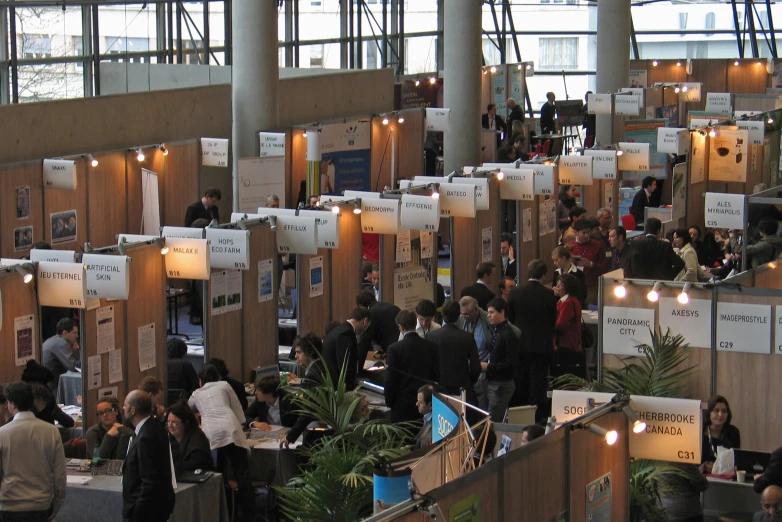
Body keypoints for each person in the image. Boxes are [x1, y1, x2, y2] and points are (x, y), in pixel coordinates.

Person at [189, 365, 253, 522]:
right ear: (218, 377)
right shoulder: (224, 385)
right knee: (242, 475)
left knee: (217, 477)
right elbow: (239, 412)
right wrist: (242, 423)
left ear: (200, 381)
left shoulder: (196, 394)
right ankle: (249, 516)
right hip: (232, 430)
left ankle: (221, 513)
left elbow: (188, 408)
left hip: (211, 435)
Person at [0, 381, 66, 522]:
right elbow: (60, 473)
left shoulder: (2, 433)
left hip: (9, 506)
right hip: (40, 505)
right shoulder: (51, 431)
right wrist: (58, 502)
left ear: (11, 404)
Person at [507, 260, 558, 422]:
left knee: (520, 378)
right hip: (541, 345)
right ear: (543, 275)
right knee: (539, 381)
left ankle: (519, 413)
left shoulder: (514, 292)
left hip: (520, 343)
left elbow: (511, 318)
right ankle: (537, 415)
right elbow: (552, 320)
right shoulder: (548, 294)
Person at [121, 390, 175, 522]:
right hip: (158, 505)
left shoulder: (145, 437)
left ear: (133, 410)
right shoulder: (156, 427)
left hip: (146, 511)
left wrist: (137, 514)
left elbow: (149, 481)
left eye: (125, 405)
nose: (123, 408)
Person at [385, 310, 439, 424]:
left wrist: (390, 403)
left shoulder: (394, 349)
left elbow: (390, 379)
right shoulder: (431, 346)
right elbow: (435, 376)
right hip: (426, 405)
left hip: (402, 406)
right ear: (416, 323)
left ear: (401, 326)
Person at [426, 300, 481, 399]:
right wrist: (468, 382)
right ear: (458, 315)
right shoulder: (467, 337)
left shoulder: (431, 336)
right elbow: (476, 367)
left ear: (442, 314)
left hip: (439, 387)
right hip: (462, 387)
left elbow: (427, 364)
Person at [282, 332, 327, 448]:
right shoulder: (323, 366)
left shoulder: (312, 376)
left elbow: (307, 411)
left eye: (299, 352)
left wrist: (290, 436)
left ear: (310, 352)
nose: (296, 356)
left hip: (318, 430)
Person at [483, 298, 519, 423]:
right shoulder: (497, 330)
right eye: (488, 312)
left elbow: (511, 363)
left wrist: (488, 367)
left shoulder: (508, 334)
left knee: (493, 420)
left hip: (501, 383)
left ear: (502, 312)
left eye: (492, 312)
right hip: (494, 381)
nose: (488, 315)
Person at [457, 296, 493, 409]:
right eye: (462, 314)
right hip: (465, 371)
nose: (465, 317)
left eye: (467, 314)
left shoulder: (488, 319)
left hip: (482, 372)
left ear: (476, 310)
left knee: (482, 405)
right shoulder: (460, 319)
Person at [322, 307, 371, 390]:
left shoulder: (339, 330)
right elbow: (345, 364)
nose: (365, 330)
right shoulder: (347, 333)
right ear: (365, 321)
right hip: (338, 387)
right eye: (367, 326)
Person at [166, 401, 213, 477]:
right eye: (168, 422)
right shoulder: (169, 436)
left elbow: (195, 464)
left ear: (186, 423)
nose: (170, 425)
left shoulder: (197, 441)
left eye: (174, 422)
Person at [552, 274, 585, 379]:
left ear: (567, 287)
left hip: (566, 344)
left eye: (560, 284)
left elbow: (561, 324)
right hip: (571, 344)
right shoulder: (571, 300)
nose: (557, 286)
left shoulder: (568, 303)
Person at [567, 219, 607, 306]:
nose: (587, 235)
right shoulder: (569, 246)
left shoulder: (597, 245)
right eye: (584, 232)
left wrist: (590, 264)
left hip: (591, 285)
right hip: (574, 286)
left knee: (592, 310)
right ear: (576, 232)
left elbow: (604, 268)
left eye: (588, 232)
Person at [700, 395, 741, 472]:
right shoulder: (699, 431)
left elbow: (736, 462)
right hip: (701, 477)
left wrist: (716, 468)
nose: (720, 414)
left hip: (725, 478)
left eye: (724, 411)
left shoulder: (733, 432)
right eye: (716, 410)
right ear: (709, 413)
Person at [356, 291, 401, 359]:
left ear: (361, 306)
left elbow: (366, 339)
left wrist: (358, 363)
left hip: (390, 350)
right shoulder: (392, 307)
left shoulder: (371, 313)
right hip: (402, 345)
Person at [41, 318, 79, 393]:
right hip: (52, 386)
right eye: (74, 333)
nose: (77, 336)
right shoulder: (62, 344)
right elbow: (74, 366)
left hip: (45, 383)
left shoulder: (51, 340)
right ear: (65, 333)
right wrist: (77, 351)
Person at [414, 385, 434, 450]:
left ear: (430, 405)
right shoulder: (427, 418)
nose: (416, 404)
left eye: (420, 403)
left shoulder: (433, 428)